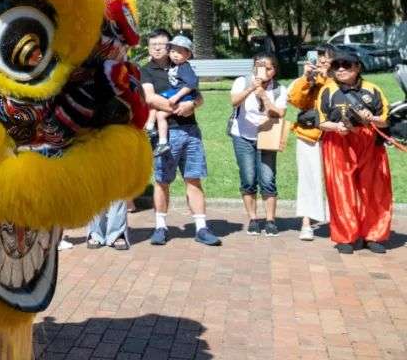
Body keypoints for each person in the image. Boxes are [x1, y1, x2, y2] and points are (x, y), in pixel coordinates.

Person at [141, 30, 221, 246]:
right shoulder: (146, 71)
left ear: (169, 46)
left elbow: (199, 96)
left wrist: (192, 104)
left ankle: (201, 228)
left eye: (161, 44)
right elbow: (150, 98)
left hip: (190, 131)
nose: (157, 48)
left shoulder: (182, 65)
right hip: (165, 134)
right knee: (161, 181)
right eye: (153, 45)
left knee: (193, 178)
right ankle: (160, 227)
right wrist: (179, 107)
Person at [316, 50, 393, 254]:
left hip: (369, 142)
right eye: (336, 66)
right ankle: (345, 236)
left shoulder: (373, 89)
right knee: (340, 189)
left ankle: (374, 235)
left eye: (346, 65)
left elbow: (386, 119)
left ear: (357, 67)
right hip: (337, 142)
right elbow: (321, 122)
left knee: (374, 188)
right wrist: (337, 127)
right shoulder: (327, 90)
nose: (341, 69)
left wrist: (372, 118)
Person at [229, 54, 288, 236]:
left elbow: (279, 113)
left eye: (268, 68)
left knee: (268, 179)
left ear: (274, 70)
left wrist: (263, 95)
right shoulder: (242, 81)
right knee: (248, 179)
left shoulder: (279, 89)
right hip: (242, 136)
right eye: (259, 67)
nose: (263, 71)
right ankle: (253, 219)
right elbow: (234, 102)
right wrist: (251, 88)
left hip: (267, 136)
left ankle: (270, 220)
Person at [287, 45, 333, 240]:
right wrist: (307, 78)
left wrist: (325, 78)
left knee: (335, 179)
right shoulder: (306, 78)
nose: (322, 60)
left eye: (327, 57)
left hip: (335, 137)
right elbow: (295, 100)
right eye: (320, 56)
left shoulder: (339, 79)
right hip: (309, 135)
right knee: (308, 178)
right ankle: (307, 222)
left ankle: (336, 220)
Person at [151, 36, 200, 157]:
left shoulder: (185, 67)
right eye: (173, 51)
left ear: (188, 55)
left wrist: (176, 97)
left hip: (183, 96)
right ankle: (151, 127)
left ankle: (162, 141)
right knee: (155, 103)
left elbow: (192, 84)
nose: (175, 55)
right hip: (176, 92)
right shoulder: (176, 65)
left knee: (160, 114)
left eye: (179, 52)